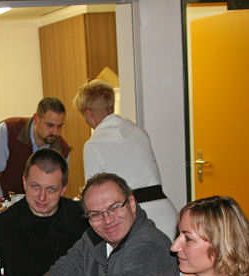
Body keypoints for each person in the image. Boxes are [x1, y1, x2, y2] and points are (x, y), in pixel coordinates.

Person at [34, 173, 173, 276]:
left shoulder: (148, 249)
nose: (107, 220)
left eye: (114, 208)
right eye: (96, 214)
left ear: (131, 203)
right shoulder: (93, 239)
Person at [0, 149, 88, 276]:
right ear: (24, 182)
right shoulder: (3, 225)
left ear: (63, 189)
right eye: (35, 186)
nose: (42, 197)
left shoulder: (83, 218)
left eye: (51, 189)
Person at [73, 79, 177, 239]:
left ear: (89, 113)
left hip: (134, 221)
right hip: (166, 214)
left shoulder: (93, 145)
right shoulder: (139, 132)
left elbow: (94, 197)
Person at [0, 97, 71, 198]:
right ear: (36, 119)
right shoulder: (7, 131)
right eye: (50, 125)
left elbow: (58, 187)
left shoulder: (63, 150)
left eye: (59, 126)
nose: (55, 132)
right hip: (5, 203)